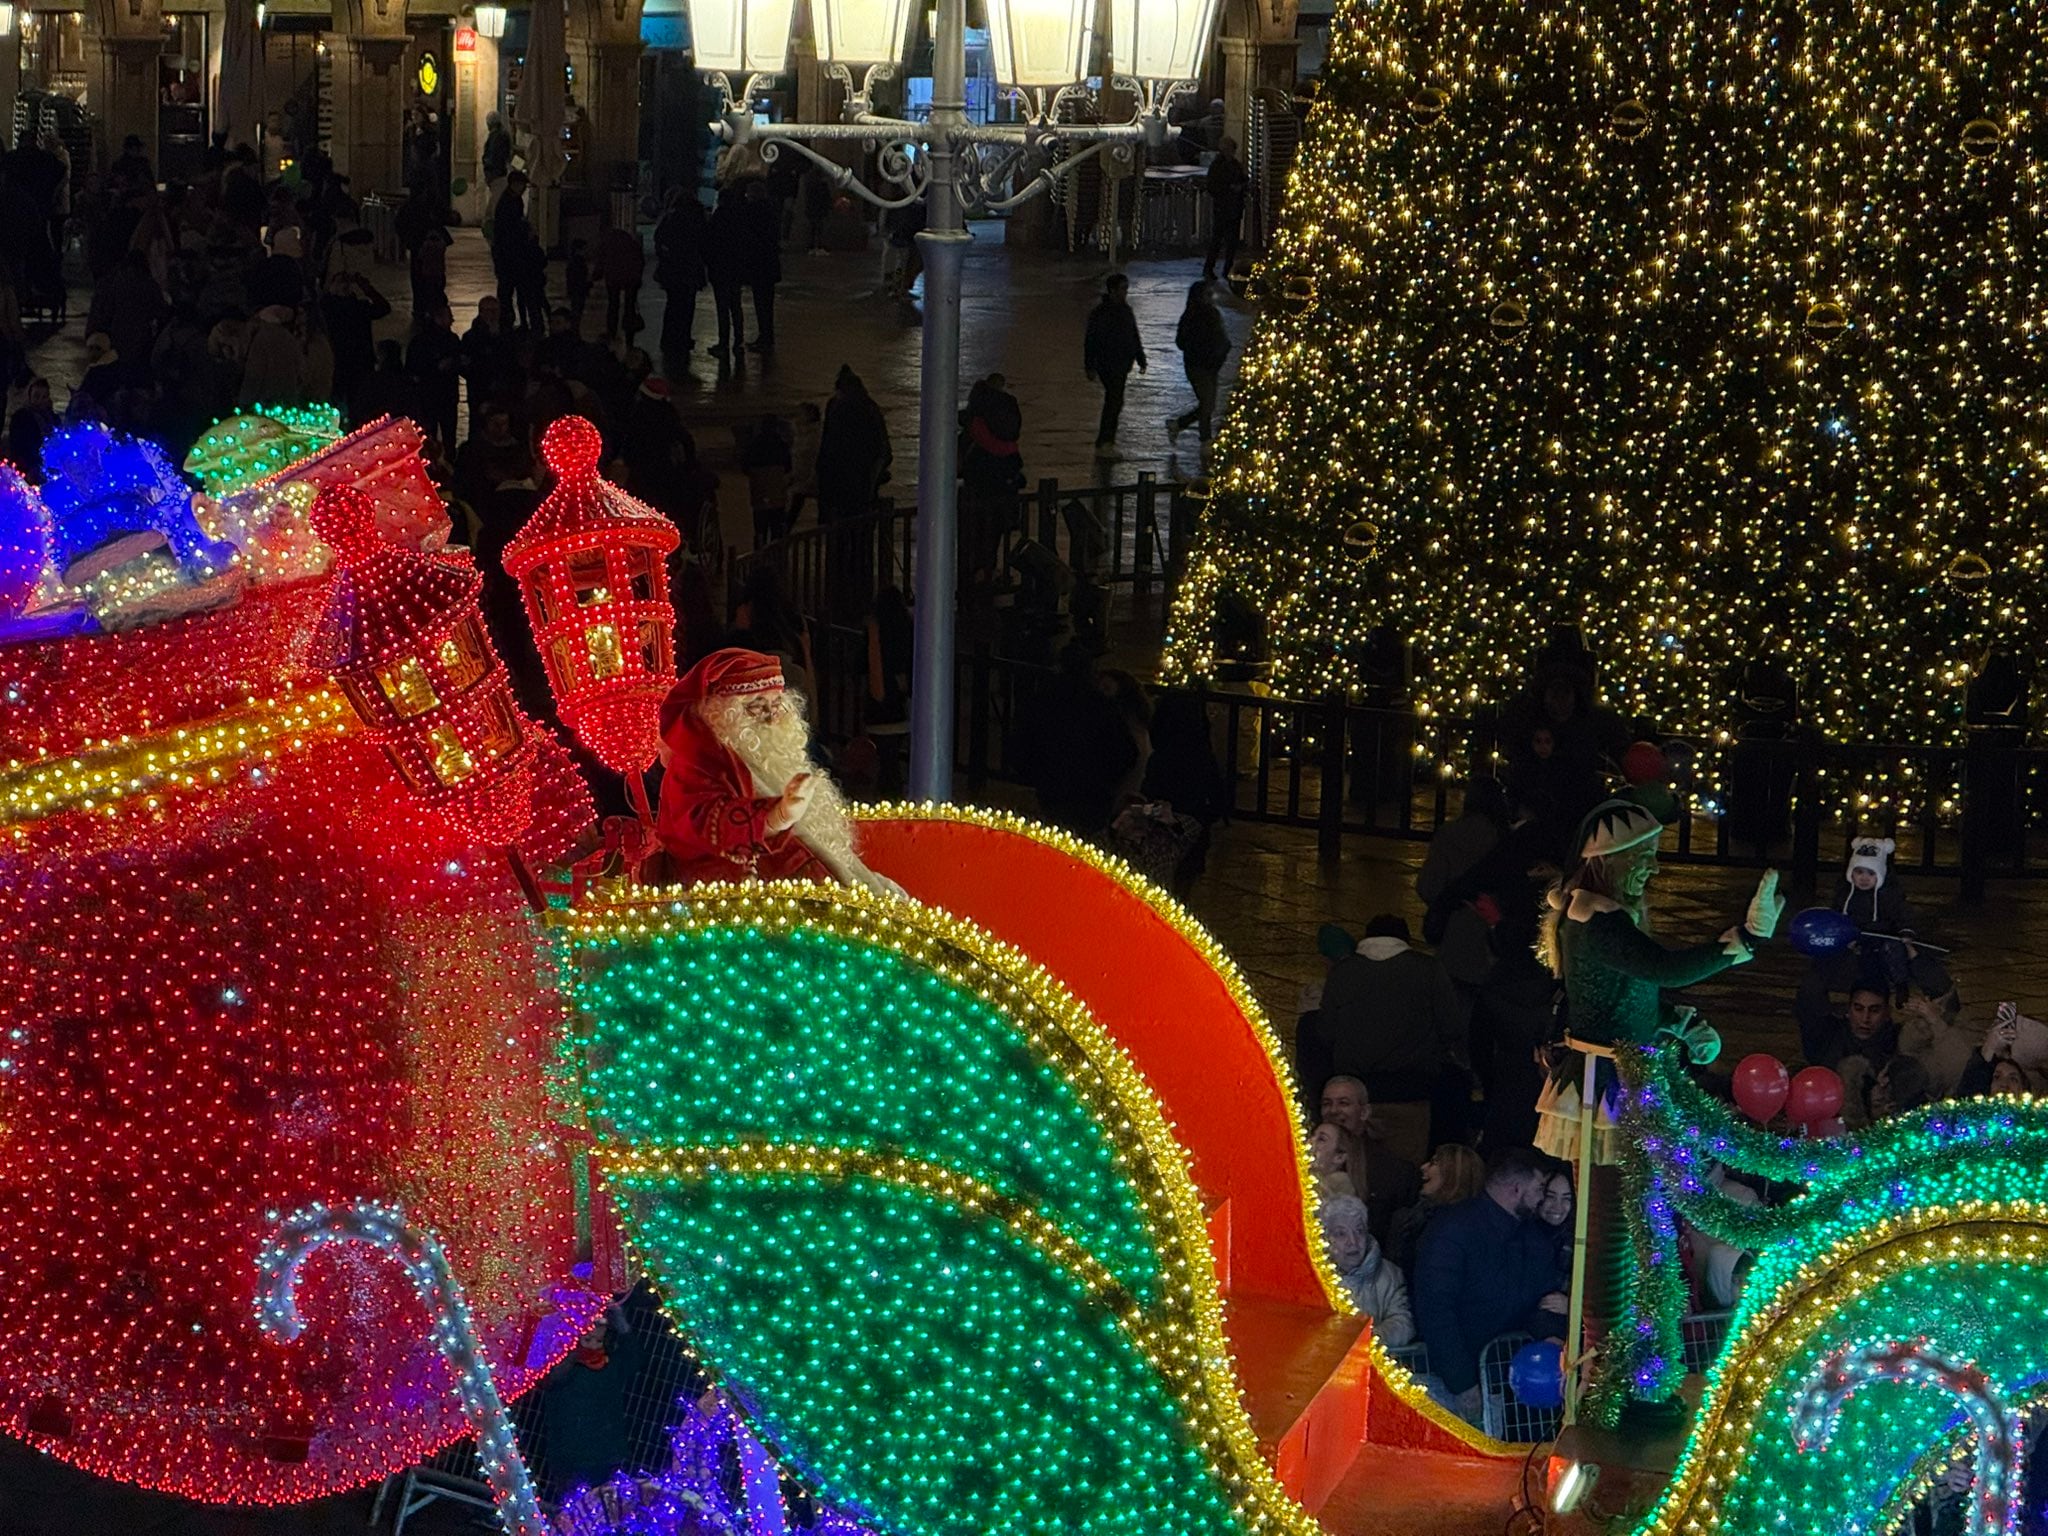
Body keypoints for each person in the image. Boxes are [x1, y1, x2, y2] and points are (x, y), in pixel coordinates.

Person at [1534, 799, 1782, 1425]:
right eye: (1641, 859)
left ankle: (1629, 1373)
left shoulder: (1597, 914)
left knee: (1638, 1229)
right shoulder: (1598, 919)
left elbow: (1628, 998)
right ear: (1609, 862)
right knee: (1615, 1238)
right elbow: (1661, 968)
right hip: (1610, 1091)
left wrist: (1678, 1024)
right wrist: (1744, 940)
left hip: (1629, 1079)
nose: (1651, 869)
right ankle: (1612, 1380)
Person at [653, 647, 902, 894]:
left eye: (776, 705)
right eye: (757, 708)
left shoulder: (771, 758)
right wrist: (776, 816)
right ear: (721, 714)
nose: (772, 718)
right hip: (730, 897)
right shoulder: (694, 765)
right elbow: (702, 823)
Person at [1412, 1146, 1569, 1424]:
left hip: (1513, 1383)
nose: (1541, 1198)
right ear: (1517, 1188)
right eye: (1540, 1188)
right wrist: (1462, 1382)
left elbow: (1540, 1298)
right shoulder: (1451, 1231)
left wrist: (1551, 1336)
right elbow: (1436, 1310)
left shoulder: (1532, 1238)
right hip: (1456, 1382)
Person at [1311, 914, 1468, 1160]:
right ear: (1405, 940)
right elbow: (1451, 1026)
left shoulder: (1344, 972)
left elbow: (1326, 1031)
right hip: (1412, 1089)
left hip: (1356, 1090)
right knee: (1406, 1162)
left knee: (1354, 1163)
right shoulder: (1427, 969)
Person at [539, 1294, 646, 1496]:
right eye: (587, 1338)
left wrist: (620, 1321)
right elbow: (551, 1379)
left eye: (598, 1339)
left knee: (606, 1504)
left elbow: (634, 1357)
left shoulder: (609, 1366)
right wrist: (571, 1352)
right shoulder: (564, 1369)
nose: (593, 1344)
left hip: (606, 1452)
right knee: (571, 1504)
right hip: (569, 1453)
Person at [1318, 1074, 1423, 1241]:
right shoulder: (1300, 1162)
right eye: (1327, 1104)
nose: (1333, 1111)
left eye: (1343, 1103)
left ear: (1364, 1112)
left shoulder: (1395, 1171)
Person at [1320, 1194, 1415, 1347]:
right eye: (1341, 1234)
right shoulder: (1314, 1278)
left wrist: (1369, 1339)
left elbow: (1403, 1321)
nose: (1353, 1242)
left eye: (1359, 1231)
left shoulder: (1391, 1275)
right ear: (1325, 1238)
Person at [1384, 1142, 1485, 1278]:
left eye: (1434, 1163)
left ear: (1452, 1174)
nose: (1423, 1167)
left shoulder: (1449, 1228)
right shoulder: (1414, 1217)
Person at [1083, 273, 1145, 457]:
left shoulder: (1124, 311)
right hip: (1109, 363)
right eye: (1122, 289)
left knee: (1115, 401)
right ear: (1113, 290)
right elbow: (1091, 341)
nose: (1125, 292)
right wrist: (1090, 365)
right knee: (1114, 401)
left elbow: (1133, 336)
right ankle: (1105, 442)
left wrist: (1140, 357)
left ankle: (1106, 442)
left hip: (1120, 363)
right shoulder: (1102, 314)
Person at [1165, 280, 1230, 447]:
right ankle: (1205, 439)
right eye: (1208, 294)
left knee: (1207, 404)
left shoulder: (1211, 314)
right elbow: (1181, 341)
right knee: (1207, 403)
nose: (1211, 298)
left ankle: (1180, 425)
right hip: (1199, 366)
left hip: (1210, 364)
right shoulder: (1192, 317)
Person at [1797, 979, 1899, 1075]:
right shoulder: (1829, 1036)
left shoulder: (1897, 1043)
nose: (1865, 1019)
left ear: (1887, 1013)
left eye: (1874, 1010)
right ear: (1848, 1010)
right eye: (1858, 1009)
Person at [655, 189, 707, 364]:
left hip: (673, 269)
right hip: (691, 269)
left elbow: (660, 239)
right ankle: (683, 338)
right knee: (687, 306)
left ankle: (669, 339)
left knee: (673, 305)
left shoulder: (672, 217)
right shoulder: (698, 218)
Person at [406, 301, 463, 449]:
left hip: (429, 397)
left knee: (429, 435)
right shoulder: (451, 339)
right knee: (448, 435)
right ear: (438, 318)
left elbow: (411, 370)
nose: (452, 320)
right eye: (449, 316)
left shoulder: (419, 341)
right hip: (444, 396)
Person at [706, 181, 748, 362]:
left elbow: (710, 242)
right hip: (736, 268)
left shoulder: (719, 217)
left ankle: (723, 342)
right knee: (736, 306)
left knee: (722, 307)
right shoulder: (740, 218)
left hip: (721, 268)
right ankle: (739, 340)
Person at [740, 413, 794, 549]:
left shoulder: (754, 445)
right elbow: (788, 467)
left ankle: (759, 555)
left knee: (760, 528)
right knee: (776, 527)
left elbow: (745, 466)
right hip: (777, 491)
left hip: (759, 490)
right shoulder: (781, 445)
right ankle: (776, 555)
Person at [740, 178, 781, 352]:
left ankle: (764, 338)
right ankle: (767, 336)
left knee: (761, 303)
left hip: (758, 264)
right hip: (769, 264)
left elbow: (747, 236)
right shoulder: (771, 211)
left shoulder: (752, 212)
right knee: (767, 304)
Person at [1202, 137, 1248, 280]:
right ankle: (1210, 268)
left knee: (1231, 242)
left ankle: (1226, 268)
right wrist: (1229, 188)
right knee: (1217, 240)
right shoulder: (1218, 166)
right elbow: (1213, 186)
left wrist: (1240, 187)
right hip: (1223, 207)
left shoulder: (1234, 165)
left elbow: (1243, 180)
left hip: (1232, 207)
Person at [596, 221, 646, 342]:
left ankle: (612, 331)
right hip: (631, 278)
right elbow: (640, 260)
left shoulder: (607, 243)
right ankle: (629, 331)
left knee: (613, 304)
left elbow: (601, 261)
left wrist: (595, 277)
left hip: (613, 278)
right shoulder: (630, 242)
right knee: (629, 305)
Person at [1308, 1120, 1370, 1202]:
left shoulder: (1338, 1190)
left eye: (1321, 1139)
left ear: (1339, 1157)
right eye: (1312, 1135)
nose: (1309, 1141)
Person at [481, 110, 513, 205]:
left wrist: (488, 169)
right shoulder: (502, 134)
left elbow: (493, 156)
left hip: (496, 173)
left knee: (496, 199)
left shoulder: (496, 136)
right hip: (498, 172)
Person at [564, 238, 593, 327]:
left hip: (575, 289)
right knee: (577, 311)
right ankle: (574, 329)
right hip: (579, 290)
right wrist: (588, 284)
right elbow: (580, 277)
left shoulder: (573, 261)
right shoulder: (579, 261)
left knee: (576, 309)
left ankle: (574, 328)